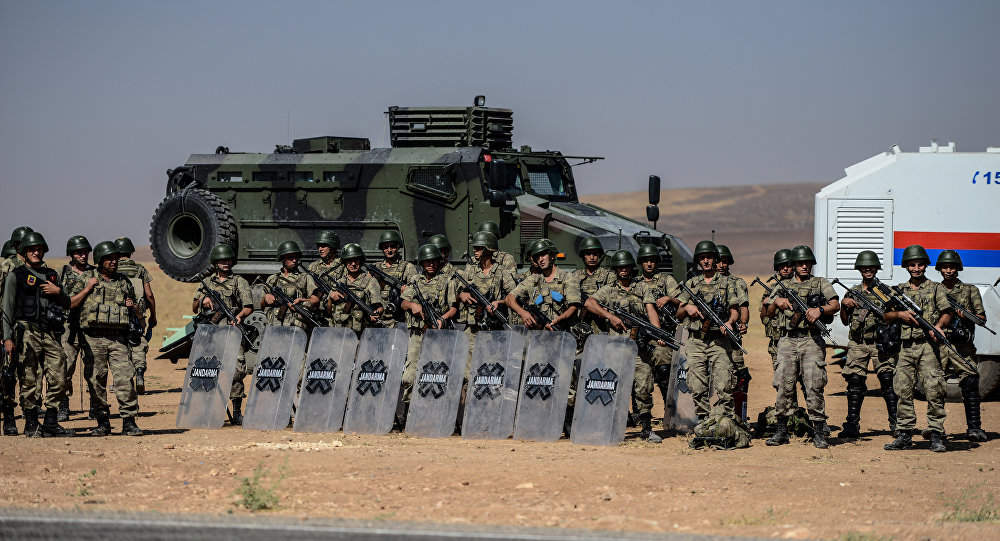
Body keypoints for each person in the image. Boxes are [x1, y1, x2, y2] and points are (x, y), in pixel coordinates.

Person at [584, 250, 666, 442]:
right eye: (620, 267)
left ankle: (646, 427)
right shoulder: (609, 289)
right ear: (616, 269)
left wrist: (658, 332)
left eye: (627, 267)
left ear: (631, 268)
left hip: (639, 347)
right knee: (616, 386)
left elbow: (651, 309)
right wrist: (610, 316)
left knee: (644, 385)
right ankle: (612, 426)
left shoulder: (641, 287)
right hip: (616, 347)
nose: (623, 270)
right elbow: (589, 302)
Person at [765, 245, 839, 449]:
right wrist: (776, 302)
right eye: (800, 263)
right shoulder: (782, 285)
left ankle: (819, 431)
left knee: (814, 384)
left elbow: (835, 304)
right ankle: (781, 430)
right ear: (794, 265)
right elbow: (769, 313)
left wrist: (819, 310)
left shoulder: (820, 283)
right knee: (783, 385)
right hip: (787, 340)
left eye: (807, 263)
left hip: (811, 339)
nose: (804, 266)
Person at [1, 232, 74, 437]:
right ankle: (31, 424)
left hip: (49, 333)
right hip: (26, 333)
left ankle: (51, 421)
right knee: (29, 380)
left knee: (60, 376)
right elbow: (7, 309)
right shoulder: (16, 275)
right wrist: (7, 338)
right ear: (24, 252)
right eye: (32, 249)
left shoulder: (52, 275)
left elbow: (67, 303)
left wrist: (57, 291)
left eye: (39, 249)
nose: (36, 252)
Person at [883, 245, 951, 452]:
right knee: (902, 389)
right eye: (912, 264)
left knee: (934, 389)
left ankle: (936, 433)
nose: (916, 268)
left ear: (925, 266)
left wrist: (939, 326)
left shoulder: (936, 288)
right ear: (906, 266)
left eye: (920, 264)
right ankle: (904, 433)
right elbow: (885, 316)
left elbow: (947, 312)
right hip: (905, 347)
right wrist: (899, 315)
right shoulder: (898, 291)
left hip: (928, 346)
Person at [70, 241, 143, 436]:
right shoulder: (86, 278)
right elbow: (70, 304)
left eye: (116, 258)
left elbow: (137, 311)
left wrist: (133, 307)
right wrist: (87, 289)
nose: (114, 261)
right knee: (95, 380)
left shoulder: (123, 282)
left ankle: (129, 421)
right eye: (109, 258)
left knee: (125, 378)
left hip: (118, 339)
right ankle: (103, 422)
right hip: (93, 339)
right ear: (100, 260)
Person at [676, 241, 740, 423]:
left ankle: (727, 422)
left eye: (709, 257)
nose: (706, 261)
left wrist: (729, 322)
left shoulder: (726, 283)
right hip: (696, 341)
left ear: (715, 259)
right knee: (696, 385)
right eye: (702, 258)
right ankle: (704, 422)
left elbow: (735, 310)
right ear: (698, 260)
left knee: (724, 384)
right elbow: (679, 313)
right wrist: (688, 307)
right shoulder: (691, 284)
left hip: (719, 341)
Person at [193, 244, 253, 425]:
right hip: (211, 334)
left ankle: (236, 411)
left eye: (229, 260)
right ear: (216, 262)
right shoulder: (207, 283)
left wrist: (239, 316)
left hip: (232, 332)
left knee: (236, 372)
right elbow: (194, 307)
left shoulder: (239, 281)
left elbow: (248, 307)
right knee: (210, 370)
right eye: (222, 260)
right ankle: (210, 409)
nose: (226, 263)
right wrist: (204, 299)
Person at [837, 250, 896, 438]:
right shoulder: (852, 292)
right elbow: (845, 321)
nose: (868, 269)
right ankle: (852, 425)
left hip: (880, 344)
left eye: (871, 267)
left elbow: (895, 317)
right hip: (858, 343)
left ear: (876, 268)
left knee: (888, 381)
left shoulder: (886, 292)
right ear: (860, 269)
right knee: (854, 383)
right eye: (864, 267)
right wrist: (843, 304)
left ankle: (896, 424)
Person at [935, 250, 987, 442]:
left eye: (952, 267)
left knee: (970, 384)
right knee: (936, 386)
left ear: (958, 269)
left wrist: (965, 315)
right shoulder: (934, 289)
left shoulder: (969, 290)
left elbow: (981, 318)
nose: (948, 270)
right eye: (945, 267)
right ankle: (936, 429)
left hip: (962, 346)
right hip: (939, 344)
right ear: (940, 269)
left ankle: (974, 428)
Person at [399, 244, 459, 409]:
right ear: (422, 263)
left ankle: (436, 409)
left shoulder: (447, 281)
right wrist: (412, 306)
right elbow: (403, 303)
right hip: (418, 333)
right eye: (427, 262)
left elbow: (454, 308)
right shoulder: (415, 281)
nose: (430, 264)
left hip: (438, 335)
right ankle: (408, 410)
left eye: (433, 261)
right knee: (409, 376)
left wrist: (443, 319)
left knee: (437, 374)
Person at [636, 244, 681, 419]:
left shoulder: (666, 280)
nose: (649, 264)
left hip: (661, 336)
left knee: (664, 370)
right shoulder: (635, 282)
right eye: (646, 260)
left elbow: (681, 300)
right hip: (639, 335)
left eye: (652, 260)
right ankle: (640, 415)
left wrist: (669, 297)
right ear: (641, 263)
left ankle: (670, 410)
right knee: (638, 374)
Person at [59, 235, 96, 422]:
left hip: (90, 327)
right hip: (68, 327)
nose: (83, 256)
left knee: (94, 368)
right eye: (79, 252)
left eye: (85, 252)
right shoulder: (62, 273)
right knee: (65, 367)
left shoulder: (95, 274)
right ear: (71, 254)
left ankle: (94, 406)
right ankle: (63, 405)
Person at [1, 226, 33, 435]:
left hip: (28, 327)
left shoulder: (35, 266)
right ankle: (9, 418)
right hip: (7, 325)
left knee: (29, 373)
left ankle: (30, 417)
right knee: (8, 374)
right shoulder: (7, 266)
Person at [114, 237, 156, 394]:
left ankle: (125, 382)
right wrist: (153, 316)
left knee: (120, 348)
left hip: (117, 316)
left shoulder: (113, 270)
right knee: (138, 344)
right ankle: (139, 373)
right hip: (138, 314)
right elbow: (149, 295)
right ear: (131, 252)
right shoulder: (140, 270)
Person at [716, 244, 752, 419]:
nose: (721, 265)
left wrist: (743, 323)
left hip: (731, 337)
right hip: (710, 337)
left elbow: (743, 307)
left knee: (738, 374)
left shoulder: (737, 283)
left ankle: (739, 415)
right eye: (719, 261)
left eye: (725, 262)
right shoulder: (703, 282)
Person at [324, 243, 383, 334]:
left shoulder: (370, 281)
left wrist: (375, 314)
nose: (353, 264)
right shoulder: (339, 283)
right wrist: (331, 298)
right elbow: (329, 312)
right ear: (344, 262)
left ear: (361, 261)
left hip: (362, 334)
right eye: (349, 260)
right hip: (340, 334)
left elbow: (379, 307)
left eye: (356, 260)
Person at [371, 231, 417, 327]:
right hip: (379, 318)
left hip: (399, 319)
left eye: (392, 246)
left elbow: (416, 288)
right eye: (386, 247)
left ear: (398, 247)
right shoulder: (375, 268)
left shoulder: (407, 267)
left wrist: (407, 291)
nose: (389, 250)